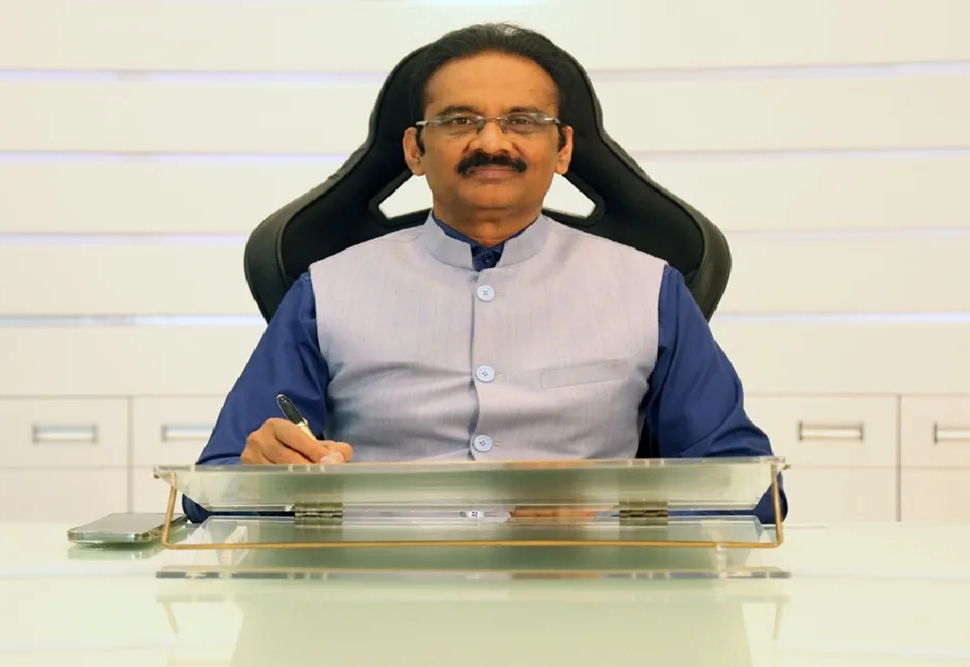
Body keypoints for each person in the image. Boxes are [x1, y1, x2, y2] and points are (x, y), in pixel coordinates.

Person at [185, 23, 787, 524]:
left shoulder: (650, 288)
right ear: (415, 151)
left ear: (564, 149)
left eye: (523, 120)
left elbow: (752, 493)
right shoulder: (325, 289)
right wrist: (255, 477)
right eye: (459, 120)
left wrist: (611, 514)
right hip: (377, 598)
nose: (492, 141)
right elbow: (212, 491)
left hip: (588, 600)